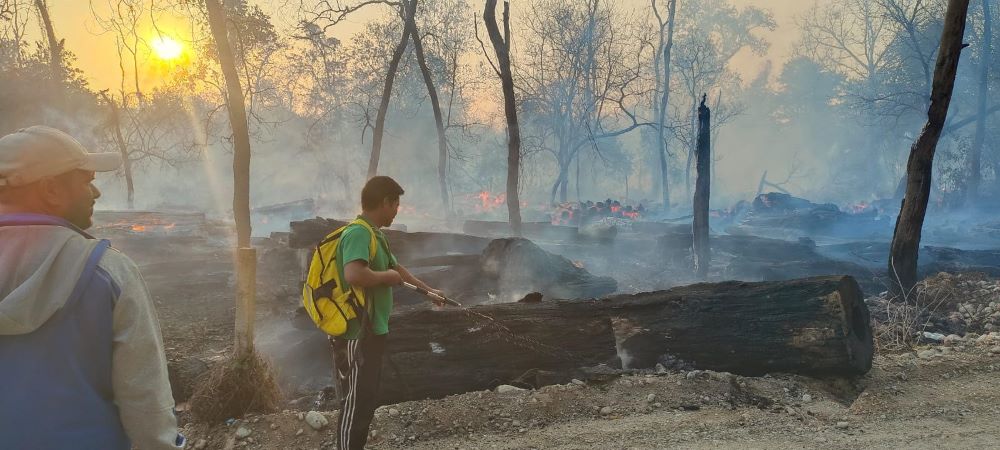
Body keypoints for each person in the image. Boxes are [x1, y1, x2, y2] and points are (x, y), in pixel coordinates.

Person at [0, 126, 184, 449]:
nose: (96, 193)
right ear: (50, 191)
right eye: (86, 181)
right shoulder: (110, 273)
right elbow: (148, 413)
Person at [332, 176, 443, 450]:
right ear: (385, 202)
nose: (397, 211)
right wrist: (385, 278)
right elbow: (354, 274)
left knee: (365, 400)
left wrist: (429, 291)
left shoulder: (374, 235)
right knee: (356, 404)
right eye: (396, 205)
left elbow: (397, 269)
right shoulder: (358, 233)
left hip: (371, 330)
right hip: (356, 333)